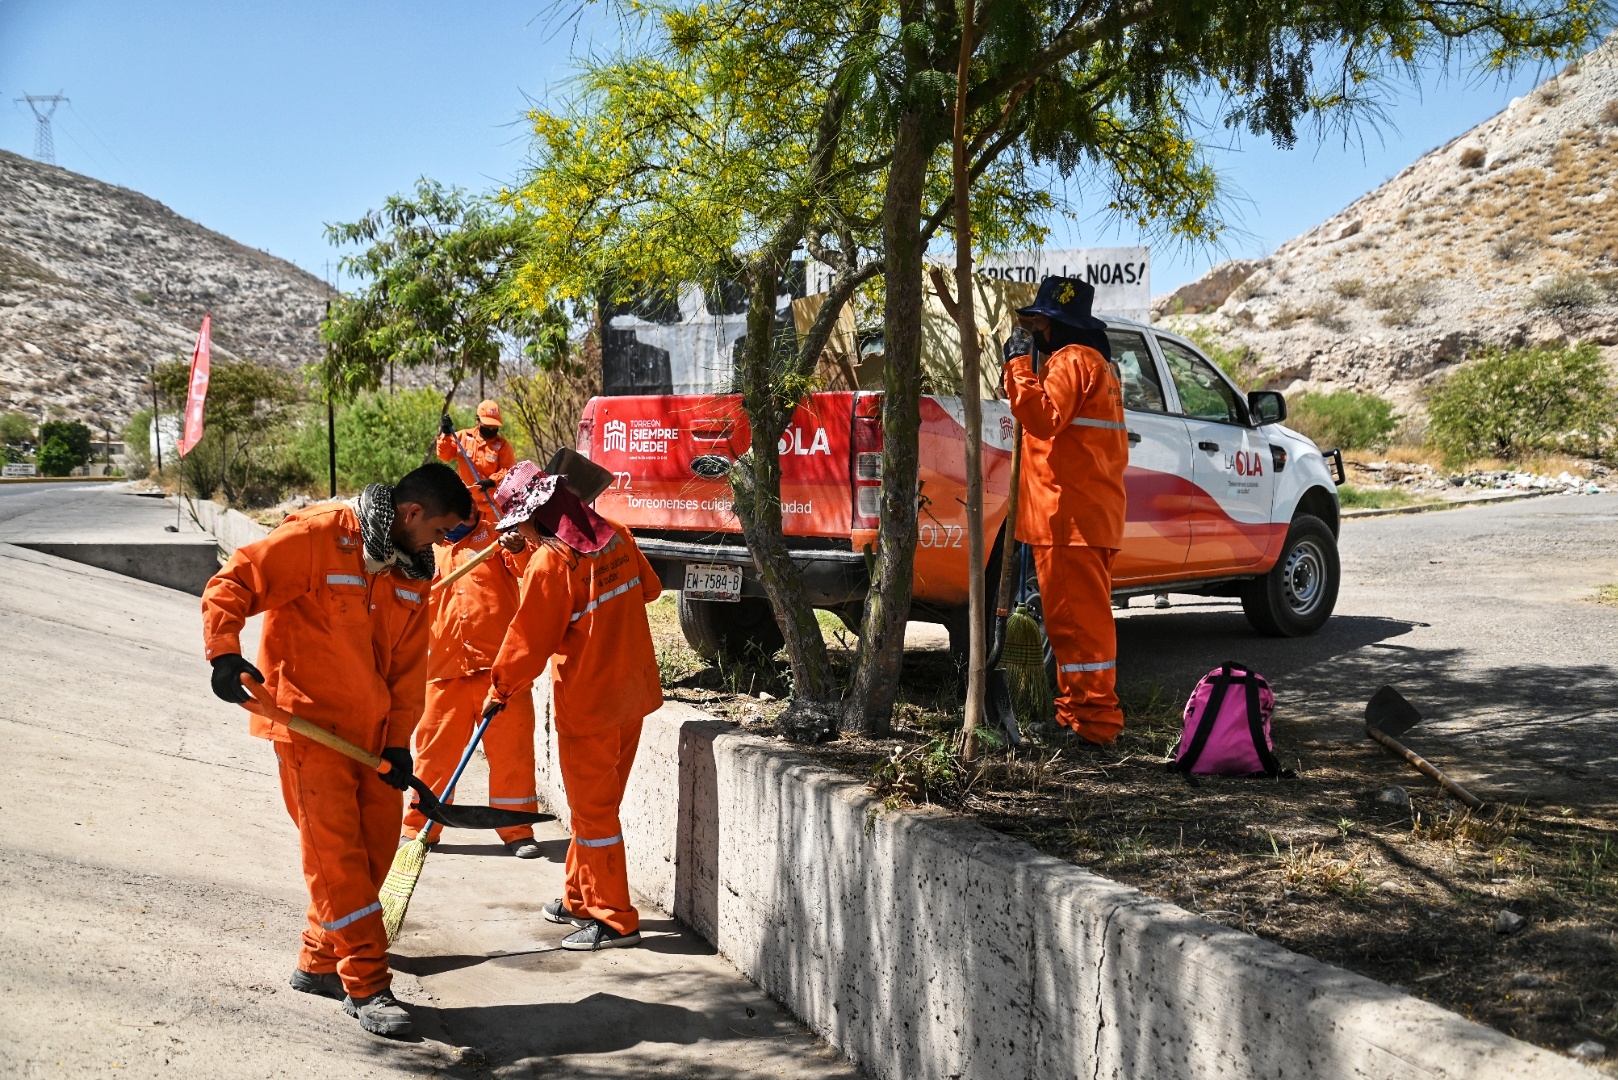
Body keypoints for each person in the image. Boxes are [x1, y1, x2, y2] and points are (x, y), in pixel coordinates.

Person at [201, 466, 473, 1037]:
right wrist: (224, 652)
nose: (442, 544)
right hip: (308, 730)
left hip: (371, 740)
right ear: (412, 514)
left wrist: (398, 743)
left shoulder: (412, 572)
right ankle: (367, 983)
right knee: (338, 864)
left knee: (373, 856)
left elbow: (408, 669)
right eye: (440, 530)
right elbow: (234, 581)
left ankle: (318, 961)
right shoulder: (318, 535)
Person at [483, 461, 662, 951]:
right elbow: (650, 589)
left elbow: (529, 639)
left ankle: (613, 919)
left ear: (535, 516)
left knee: (593, 814)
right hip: (633, 694)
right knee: (595, 809)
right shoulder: (617, 534)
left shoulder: (553, 563)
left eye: (521, 524)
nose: (520, 533)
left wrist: (499, 690)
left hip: (590, 705)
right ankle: (581, 896)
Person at [1002, 276, 1129, 746]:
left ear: (1058, 325)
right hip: (1083, 515)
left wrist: (1017, 365)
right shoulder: (1098, 366)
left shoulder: (1072, 361)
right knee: (1075, 626)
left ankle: (1093, 724)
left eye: (1039, 323)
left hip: (1069, 517)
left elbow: (1041, 417)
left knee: (1078, 628)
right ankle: (1076, 714)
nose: (1035, 331)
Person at [402, 507, 542, 858]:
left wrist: (518, 549)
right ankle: (420, 828)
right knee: (434, 756)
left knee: (512, 755)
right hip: (443, 670)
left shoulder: (498, 535)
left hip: (501, 672)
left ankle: (517, 831)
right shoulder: (423, 544)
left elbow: (531, 571)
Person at [438, 400, 516, 519]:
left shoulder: (503, 446)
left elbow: (509, 470)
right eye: (488, 425)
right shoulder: (463, 437)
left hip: (492, 507)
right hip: (466, 505)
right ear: (477, 420)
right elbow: (444, 456)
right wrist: (446, 435)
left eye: (494, 426)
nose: (491, 429)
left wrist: (492, 481)